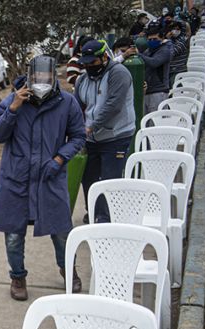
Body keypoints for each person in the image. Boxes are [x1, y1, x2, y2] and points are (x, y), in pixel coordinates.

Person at [0, 55, 86, 301]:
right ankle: (18, 276)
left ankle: (68, 270)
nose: (41, 81)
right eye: (37, 77)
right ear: (30, 76)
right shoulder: (13, 100)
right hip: (17, 178)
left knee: (62, 230)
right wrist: (13, 110)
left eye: (46, 76)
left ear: (54, 76)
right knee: (13, 234)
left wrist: (59, 159)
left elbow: (78, 137)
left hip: (49, 176)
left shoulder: (67, 102)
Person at [74, 40, 136, 224]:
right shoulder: (83, 80)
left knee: (109, 179)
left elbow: (113, 106)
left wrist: (91, 126)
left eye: (92, 62)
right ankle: (93, 211)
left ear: (104, 57)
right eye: (85, 63)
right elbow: (77, 106)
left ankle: (108, 219)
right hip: (91, 139)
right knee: (89, 178)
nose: (89, 66)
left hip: (116, 136)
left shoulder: (119, 73)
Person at [140, 23, 173, 114]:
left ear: (162, 39)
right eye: (150, 39)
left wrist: (139, 55)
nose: (152, 41)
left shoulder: (165, 50)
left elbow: (154, 62)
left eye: (155, 39)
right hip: (147, 90)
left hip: (159, 91)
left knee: (156, 122)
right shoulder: (148, 51)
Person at [167, 20, 189, 86]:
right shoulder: (172, 40)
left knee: (175, 86)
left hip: (178, 69)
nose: (175, 31)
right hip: (171, 69)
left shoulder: (182, 41)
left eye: (177, 29)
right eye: (173, 29)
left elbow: (172, 52)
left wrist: (168, 40)